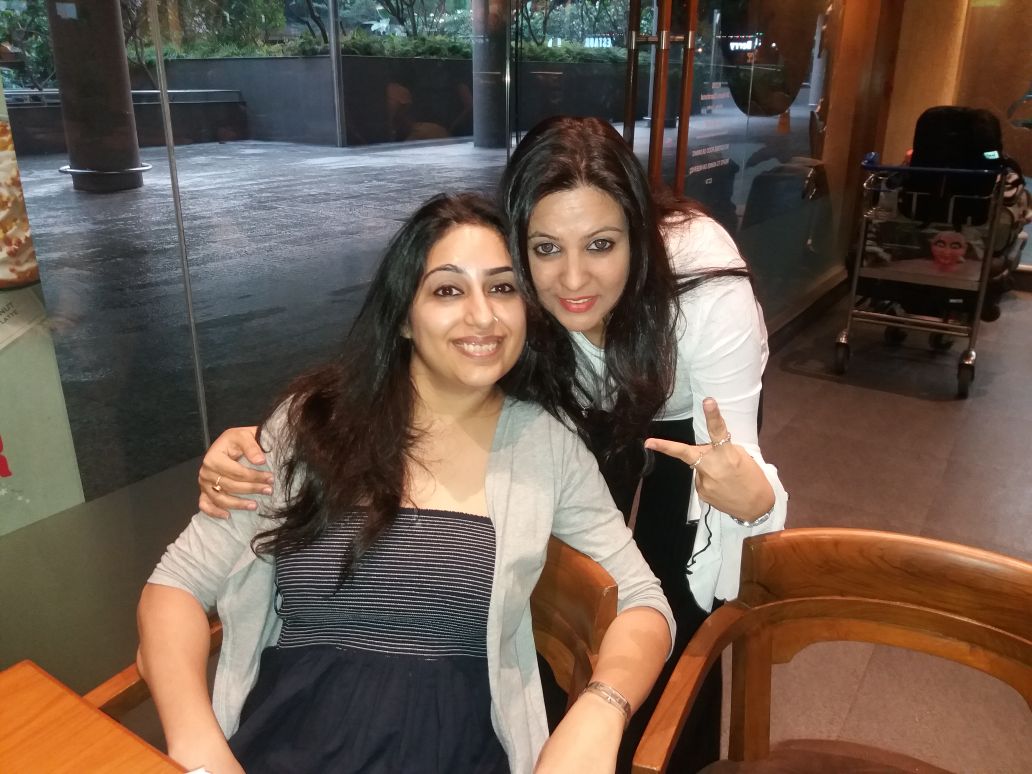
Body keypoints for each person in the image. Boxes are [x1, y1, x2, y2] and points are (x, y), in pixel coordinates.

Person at [193, 116, 787, 771]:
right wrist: (270, 443)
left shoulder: (706, 284)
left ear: (638, 234)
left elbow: (739, 471)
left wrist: (752, 497)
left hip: (689, 419)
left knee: (677, 594)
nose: (573, 279)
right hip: (575, 404)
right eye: (546, 248)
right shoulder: (513, 299)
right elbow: (428, 367)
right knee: (548, 569)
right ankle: (544, 726)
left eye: (601, 244)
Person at [137, 192, 675, 774]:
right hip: (284, 742)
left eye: (502, 288)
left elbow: (645, 602)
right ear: (402, 317)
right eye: (448, 291)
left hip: (449, 748)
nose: (483, 316)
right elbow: (177, 585)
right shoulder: (310, 424)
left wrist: (601, 709)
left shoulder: (546, 446)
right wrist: (197, 744)